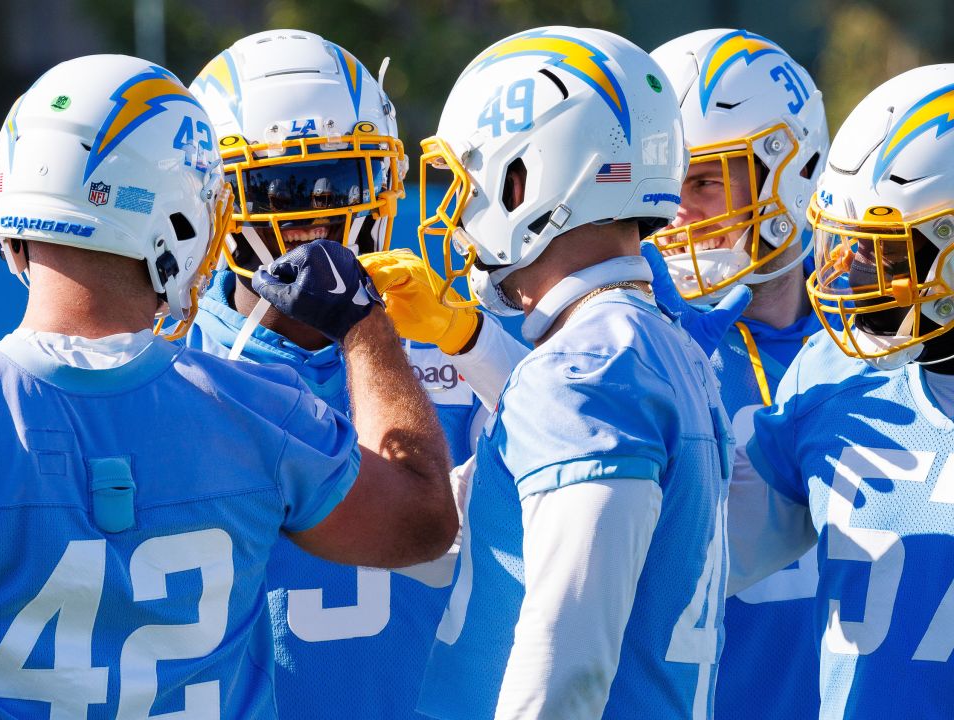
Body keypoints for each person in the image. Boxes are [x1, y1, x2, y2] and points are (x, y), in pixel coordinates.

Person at [0, 54, 456, 718]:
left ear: (12, 223)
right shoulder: (257, 408)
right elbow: (422, 523)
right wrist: (366, 327)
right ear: (181, 219)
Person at [353, 27, 731, 719]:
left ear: (522, 180)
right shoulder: (645, 345)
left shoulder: (592, 365)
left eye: (464, 183)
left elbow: (568, 663)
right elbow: (469, 534)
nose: (456, 212)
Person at [188, 29, 486, 719]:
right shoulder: (180, 363)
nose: (316, 218)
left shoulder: (450, 342)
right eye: (277, 191)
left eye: (341, 182)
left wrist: (481, 347)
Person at [726, 64, 954, 720]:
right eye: (849, 245)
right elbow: (696, 557)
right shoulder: (831, 373)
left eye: (890, 253)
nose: (854, 279)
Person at [647, 29, 829, 720]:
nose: (677, 212)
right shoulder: (638, 344)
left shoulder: (873, 350)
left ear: (795, 174)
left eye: (704, 181)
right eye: (665, 185)